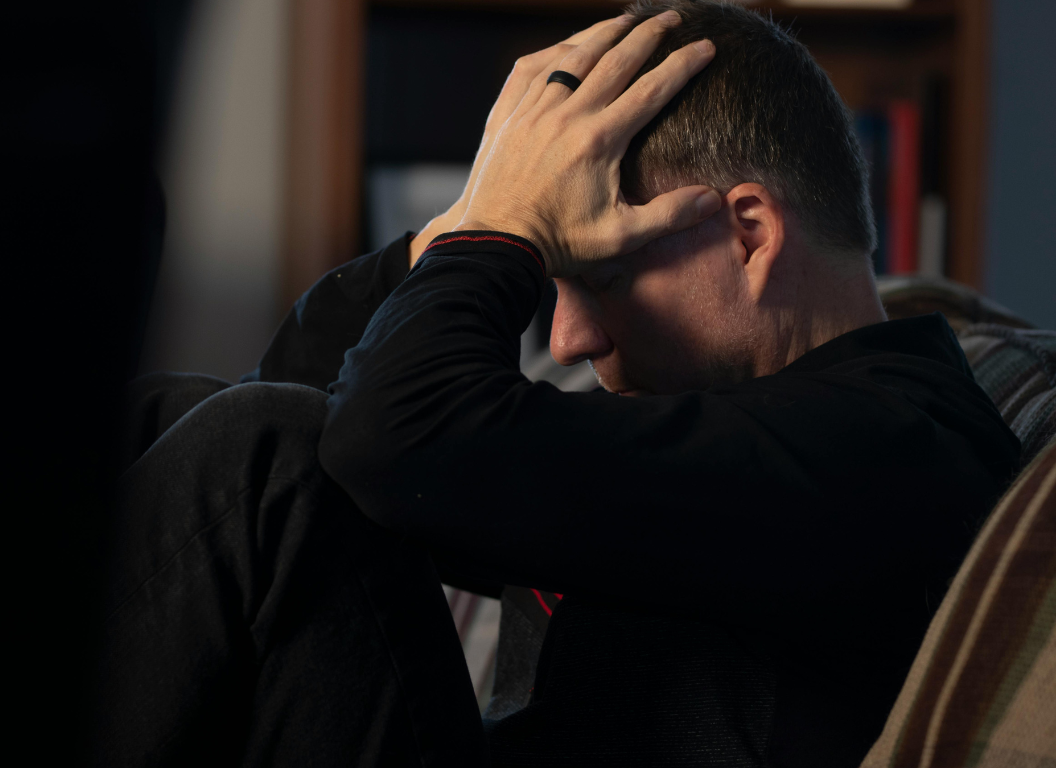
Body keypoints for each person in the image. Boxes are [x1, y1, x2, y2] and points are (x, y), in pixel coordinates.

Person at [96, 1, 1020, 765]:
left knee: (263, 457)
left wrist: (503, 236)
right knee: (164, 417)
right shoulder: (746, 425)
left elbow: (380, 437)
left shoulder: (884, 450)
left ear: (747, 234)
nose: (570, 341)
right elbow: (313, 408)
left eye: (599, 279)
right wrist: (474, 216)